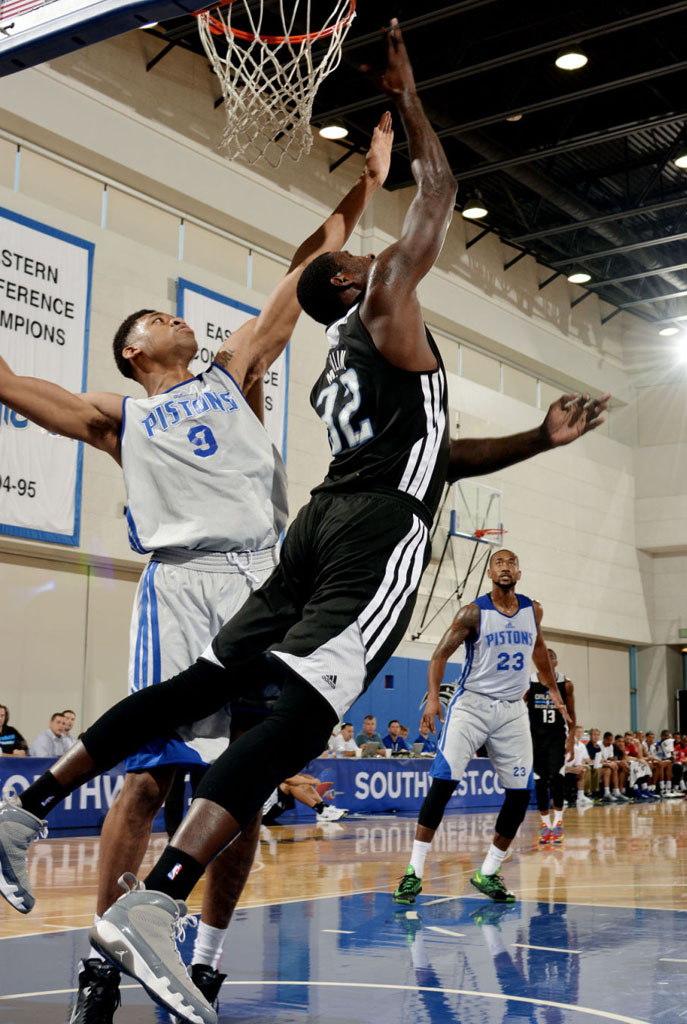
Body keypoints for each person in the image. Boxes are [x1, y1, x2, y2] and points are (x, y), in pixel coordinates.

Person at [0, 22, 610, 1023]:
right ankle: (130, 922)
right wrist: (412, 109)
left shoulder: (274, 362)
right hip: (302, 550)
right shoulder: (356, 316)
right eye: (364, 257)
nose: (373, 255)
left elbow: (324, 288)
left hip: (294, 539)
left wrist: (537, 438)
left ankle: (138, 897)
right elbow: (417, 218)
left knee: (236, 720)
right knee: (262, 736)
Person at [0, 114, 393, 1023]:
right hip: (179, 584)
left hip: (267, 580)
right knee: (148, 779)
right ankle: (102, 960)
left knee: (246, 786)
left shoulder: (234, 370)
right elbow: (18, 384)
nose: (177, 316)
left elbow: (306, 270)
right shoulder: (117, 417)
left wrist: (366, 185)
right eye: (156, 318)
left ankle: (204, 960)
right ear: (135, 352)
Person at [393, 548, 570, 907]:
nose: (505, 568)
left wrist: (554, 690)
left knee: (521, 794)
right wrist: (431, 699)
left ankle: (488, 873)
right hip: (471, 705)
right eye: (499, 563)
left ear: (519, 572)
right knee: (443, 784)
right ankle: (413, 871)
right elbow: (439, 655)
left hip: (511, 711)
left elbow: (538, 648)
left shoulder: (532, 610)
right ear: (490, 572)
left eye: (511, 563)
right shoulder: (472, 612)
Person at [527, 648, 575, 845]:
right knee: (540, 782)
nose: (546, 662)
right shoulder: (529, 683)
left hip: (556, 738)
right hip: (536, 740)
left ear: (555, 662)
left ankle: (558, 822)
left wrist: (571, 739)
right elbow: (517, 711)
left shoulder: (566, 684)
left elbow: (572, 714)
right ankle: (545, 825)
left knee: (557, 779)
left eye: (550, 659)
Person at [262, 774, 347, 824]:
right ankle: (320, 810)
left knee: (301, 779)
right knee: (290, 784)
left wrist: (310, 779)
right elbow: (288, 779)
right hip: (262, 812)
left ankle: (323, 807)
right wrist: (312, 782)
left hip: (273, 804)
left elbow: (297, 776)